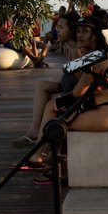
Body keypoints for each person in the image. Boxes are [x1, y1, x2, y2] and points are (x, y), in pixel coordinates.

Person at [26, 15, 108, 171]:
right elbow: (74, 76)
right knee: (54, 107)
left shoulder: (98, 56)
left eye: (85, 31)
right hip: (98, 108)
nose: (79, 35)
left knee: (55, 117)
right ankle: (44, 156)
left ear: (95, 34)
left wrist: (58, 103)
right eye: (78, 31)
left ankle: (43, 158)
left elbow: (77, 92)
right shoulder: (94, 54)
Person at [11, 11, 81, 148]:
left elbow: (78, 82)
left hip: (73, 93)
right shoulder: (72, 48)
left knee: (51, 100)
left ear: (72, 29)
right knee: (41, 85)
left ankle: (40, 143)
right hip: (67, 85)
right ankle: (34, 130)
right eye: (57, 27)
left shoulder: (78, 51)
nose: (57, 30)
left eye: (61, 28)